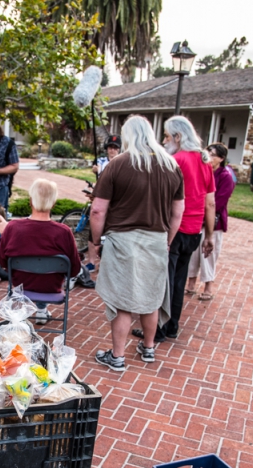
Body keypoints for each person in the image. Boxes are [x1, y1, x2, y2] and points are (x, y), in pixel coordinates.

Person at [90, 116, 185, 371]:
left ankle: (118, 357)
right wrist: (167, 241)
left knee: (123, 300)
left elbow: (98, 210)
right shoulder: (171, 165)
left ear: (127, 136)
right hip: (156, 239)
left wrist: (96, 241)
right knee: (150, 297)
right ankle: (148, 349)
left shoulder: (117, 164)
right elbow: (178, 213)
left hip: (123, 240)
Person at [132, 115, 216, 345]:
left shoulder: (176, 160)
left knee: (163, 282)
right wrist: (209, 235)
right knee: (178, 281)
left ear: (178, 137)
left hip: (174, 229)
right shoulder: (204, 160)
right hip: (194, 230)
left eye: (168, 136)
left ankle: (157, 330)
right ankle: (172, 327)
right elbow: (210, 202)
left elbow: (162, 198)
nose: (164, 140)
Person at [0, 179, 81, 324]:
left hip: (22, 289)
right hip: (51, 290)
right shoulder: (64, 232)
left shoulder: (12, 227)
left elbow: (2, 261)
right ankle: (42, 309)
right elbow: (74, 270)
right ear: (53, 203)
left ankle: (31, 311)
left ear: (30, 201)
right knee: (46, 275)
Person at [187, 143, 235, 301]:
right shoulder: (203, 171)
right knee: (193, 253)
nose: (209, 157)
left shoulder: (225, 176)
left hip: (214, 222)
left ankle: (208, 287)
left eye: (213, 154)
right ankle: (191, 284)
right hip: (196, 218)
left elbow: (218, 202)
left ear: (221, 158)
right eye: (207, 152)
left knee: (208, 254)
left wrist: (203, 215)